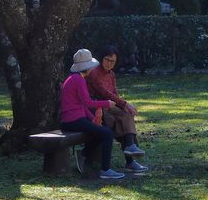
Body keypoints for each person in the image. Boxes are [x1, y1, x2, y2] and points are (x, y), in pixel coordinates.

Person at [60, 48, 125, 180]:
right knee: (107, 133)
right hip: (72, 120)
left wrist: (93, 119)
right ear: (88, 67)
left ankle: (83, 154)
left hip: (74, 119)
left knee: (101, 131)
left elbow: (82, 104)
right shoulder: (78, 80)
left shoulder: (74, 78)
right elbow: (88, 102)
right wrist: (106, 103)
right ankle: (105, 169)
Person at [87, 45, 148, 174]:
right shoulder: (94, 73)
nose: (109, 63)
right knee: (119, 123)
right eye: (107, 59)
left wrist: (124, 106)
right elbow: (104, 93)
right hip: (97, 107)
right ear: (102, 58)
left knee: (126, 115)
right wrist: (125, 104)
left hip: (109, 106)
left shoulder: (112, 74)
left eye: (112, 61)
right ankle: (130, 160)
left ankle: (131, 148)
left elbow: (114, 93)